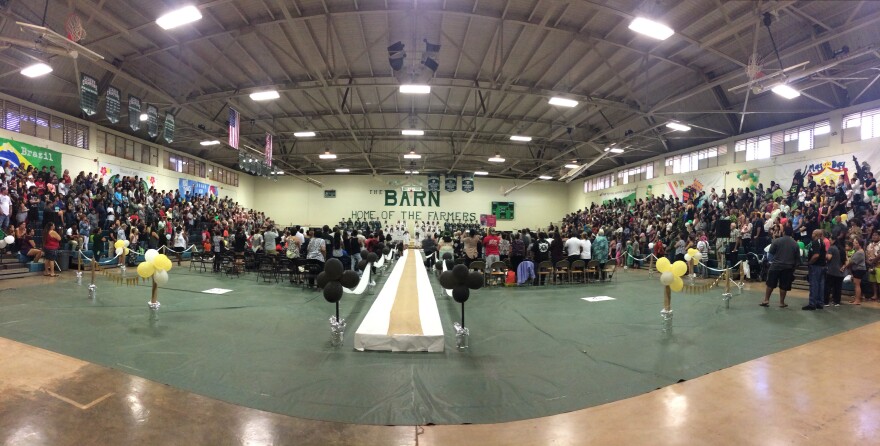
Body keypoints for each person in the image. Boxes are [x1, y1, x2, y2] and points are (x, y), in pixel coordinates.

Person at [760, 226, 799, 308]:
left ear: (783, 232)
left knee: (770, 284)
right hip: (788, 267)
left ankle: (766, 300)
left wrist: (772, 262)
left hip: (776, 265)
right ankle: (781, 302)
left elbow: (770, 254)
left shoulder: (777, 241)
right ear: (792, 233)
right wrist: (793, 268)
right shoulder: (795, 244)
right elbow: (797, 259)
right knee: (784, 286)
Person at [804, 229, 829, 310]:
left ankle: (812, 303)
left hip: (816, 266)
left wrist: (809, 262)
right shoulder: (822, 242)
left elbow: (816, 255)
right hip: (822, 266)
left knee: (814, 284)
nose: (812, 234)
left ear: (816, 234)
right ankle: (819, 303)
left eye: (813, 233)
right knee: (821, 285)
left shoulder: (815, 243)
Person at [842, 238, 867, 305]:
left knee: (857, 285)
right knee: (856, 284)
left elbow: (851, 262)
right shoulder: (857, 251)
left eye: (856, 243)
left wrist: (844, 267)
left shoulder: (860, 252)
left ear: (859, 244)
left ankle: (857, 300)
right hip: (857, 269)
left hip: (859, 269)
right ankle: (856, 299)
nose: (854, 244)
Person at [825, 242, 845, 307]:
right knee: (838, 288)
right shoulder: (842, 250)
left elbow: (829, 258)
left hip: (832, 271)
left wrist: (825, 255)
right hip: (840, 272)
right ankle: (837, 302)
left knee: (828, 287)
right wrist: (843, 267)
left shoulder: (831, 248)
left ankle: (825, 302)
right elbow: (847, 261)